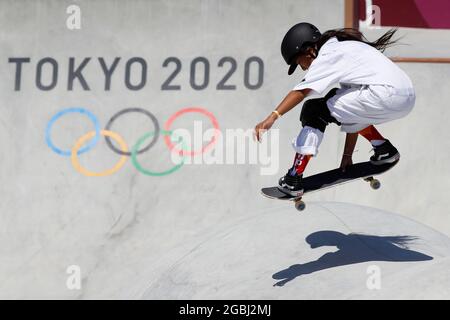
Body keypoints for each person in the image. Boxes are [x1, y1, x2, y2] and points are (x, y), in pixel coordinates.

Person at [254, 22, 415, 197]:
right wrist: (347, 154)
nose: (304, 68)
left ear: (308, 50)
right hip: (404, 96)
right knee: (335, 100)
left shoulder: (328, 54)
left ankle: (294, 178)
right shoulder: (344, 50)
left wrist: (273, 117)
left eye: (299, 62)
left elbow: (300, 92)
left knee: (314, 110)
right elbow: (352, 112)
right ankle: (384, 150)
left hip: (385, 94)